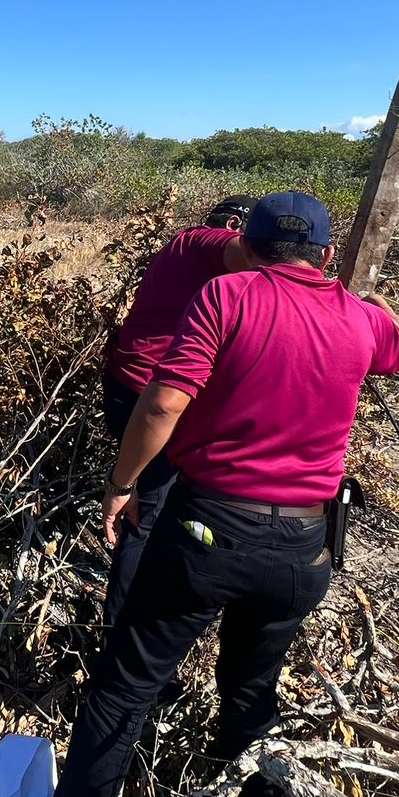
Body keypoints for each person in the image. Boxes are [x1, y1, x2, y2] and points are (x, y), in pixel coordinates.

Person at [45, 192, 399, 797]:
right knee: (251, 692)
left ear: (246, 246)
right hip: (306, 545)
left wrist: (122, 483)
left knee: (123, 690)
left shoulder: (226, 295)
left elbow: (163, 404)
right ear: (328, 254)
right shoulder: (360, 319)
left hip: (208, 531)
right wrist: (380, 305)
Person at [99, 195, 257, 626]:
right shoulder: (204, 241)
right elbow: (246, 253)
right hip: (148, 397)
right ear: (234, 225)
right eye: (255, 236)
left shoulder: (189, 252)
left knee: (152, 499)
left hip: (131, 387)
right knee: (145, 518)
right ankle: (120, 630)